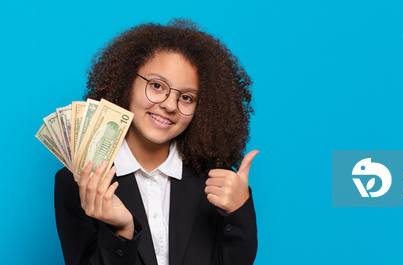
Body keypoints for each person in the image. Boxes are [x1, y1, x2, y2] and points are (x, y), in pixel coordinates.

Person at [54, 18, 258, 265]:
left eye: (186, 97)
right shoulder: (77, 180)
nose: (170, 105)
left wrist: (238, 212)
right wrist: (122, 232)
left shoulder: (218, 182)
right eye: (157, 85)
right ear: (127, 82)